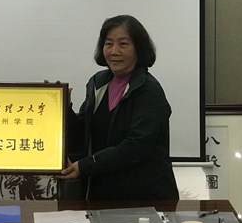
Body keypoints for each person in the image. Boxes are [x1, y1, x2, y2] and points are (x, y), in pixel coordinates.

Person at [60, 14, 179, 201]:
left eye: (123, 44)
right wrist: (64, 107)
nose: (114, 51)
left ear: (139, 49)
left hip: (144, 198)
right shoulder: (98, 82)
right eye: (108, 44)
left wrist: (86, 166)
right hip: (101, 194)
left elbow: (135, 147)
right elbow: (84, 133)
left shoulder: (149, 90)